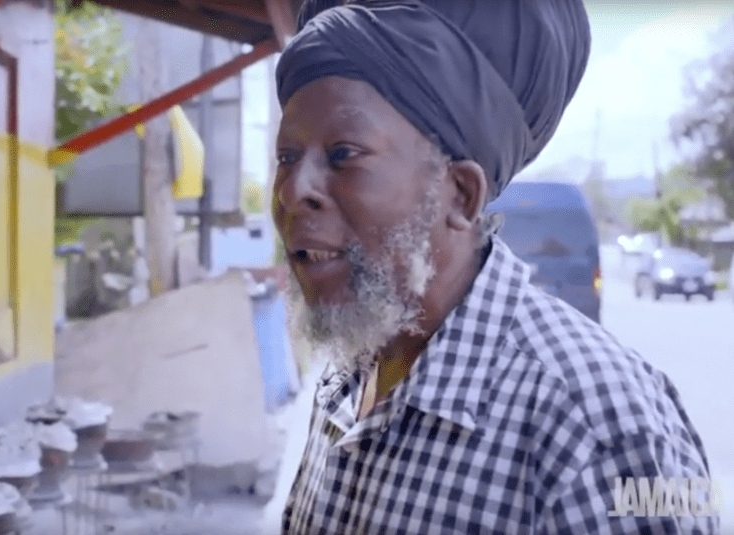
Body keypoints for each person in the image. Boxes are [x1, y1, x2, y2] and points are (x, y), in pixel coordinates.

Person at [272, 1, 717, 533]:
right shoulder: (354, 367)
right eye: (287, 157)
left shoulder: (605, 424)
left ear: (461, 194)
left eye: (343, 154)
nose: (293, 191)